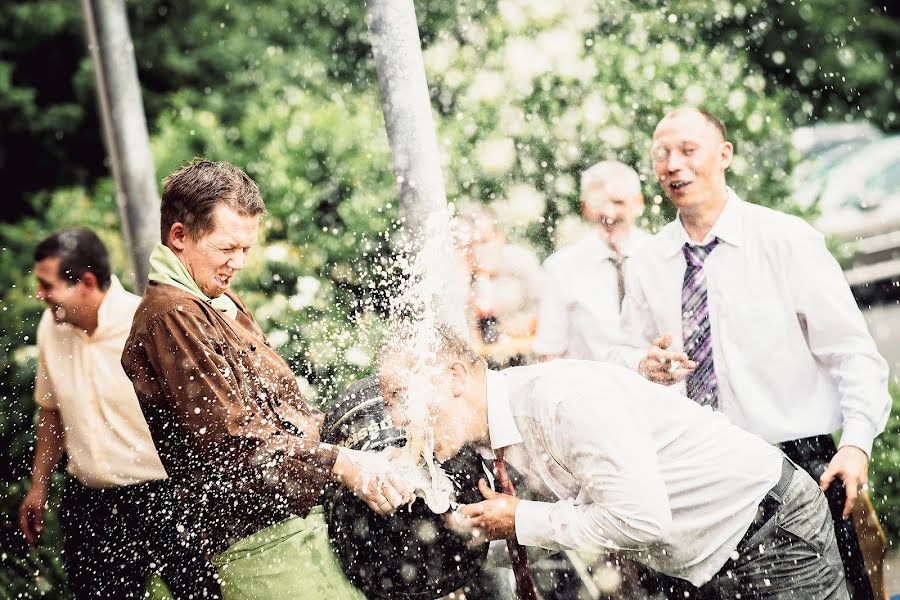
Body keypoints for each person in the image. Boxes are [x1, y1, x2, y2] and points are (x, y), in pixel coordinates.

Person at [610, 107, 891, 600]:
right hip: (695, 473)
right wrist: (640, 363)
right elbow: (619, 354)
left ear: (724, 156)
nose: (673, 165)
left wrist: (857, 441)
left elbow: (852, 352)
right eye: (661, 154)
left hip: (799, 463)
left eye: (687, 151)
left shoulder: (785, 240)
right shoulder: (648, 261)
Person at [376, 322, 850, 599]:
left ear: (455, 376)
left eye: (400, 395)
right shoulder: (490, 441)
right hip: (704, 560)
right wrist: (476, 533)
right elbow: (581, 514)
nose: (398, 417)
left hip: (771, 533)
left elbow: (640, 520)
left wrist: (522, 519)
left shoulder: (559, 402)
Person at [121, 159, 412, 598]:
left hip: (295, 526)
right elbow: (233, 442)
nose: (237, 263)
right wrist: (341, 463)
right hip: (259, 543)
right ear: (179, 236)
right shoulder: (173, 315)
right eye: (226, 248)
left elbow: (281, 411)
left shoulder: (212, 300)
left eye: (246, 249)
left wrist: (357, 451)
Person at [19, 227, 205, 598]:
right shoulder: (50, 327)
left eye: (48, 285)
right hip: (89, 504)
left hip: (163, 497)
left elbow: (197, 413)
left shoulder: (148, 323)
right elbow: (51, 412)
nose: (40, 295)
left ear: (87, 282)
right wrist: (38, 485)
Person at [533, 160, 650, 361]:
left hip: (656, 387)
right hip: (590, 388)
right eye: (599, 203)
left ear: (638, 203)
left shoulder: (659, 256)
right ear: (585, 208)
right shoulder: (561, 267)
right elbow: (549, 353)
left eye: (618, 202)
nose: (608, 213)